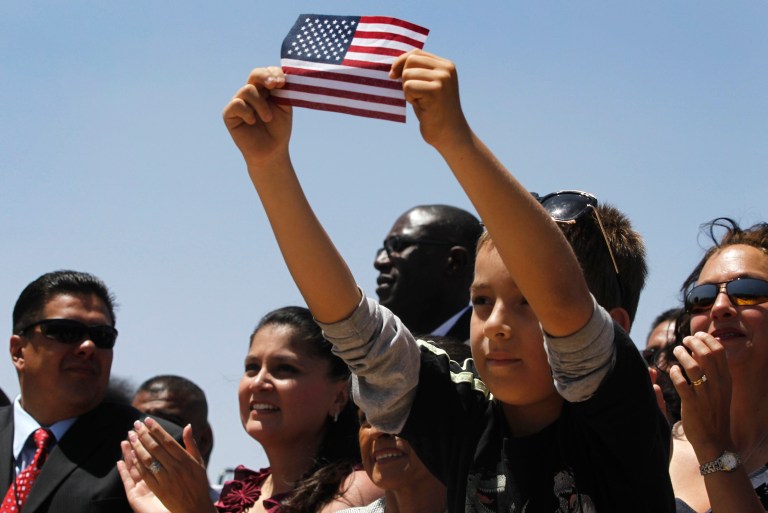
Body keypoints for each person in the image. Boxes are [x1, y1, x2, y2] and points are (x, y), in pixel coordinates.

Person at [221, 50, 674, 512]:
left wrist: (456, 140)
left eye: (527, 302)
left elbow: (564, 301)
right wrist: (269, 164)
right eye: (481, 301)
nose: (495, 324)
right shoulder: (465, 414)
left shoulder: (620, 414)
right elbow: (351, 324)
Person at [119, 306, 381, 513]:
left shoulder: (357, 492)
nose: (259, 383)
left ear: (339, 396)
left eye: (285, 369)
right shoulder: (241, 493)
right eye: (252, 368)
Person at [0, 270, 181, 513]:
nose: (88, 346)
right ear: (18, 351)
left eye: (102, 336)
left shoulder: (153, 447)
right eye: (67, 331)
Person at [664, 218, 768, 512]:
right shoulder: (659, 446)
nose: (720, 307)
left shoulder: (709, 441)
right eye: (702, 298)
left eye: (747, 291)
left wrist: (714, 447)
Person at [374, 205, 482, 340]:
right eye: (383, 249)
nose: (380, 262)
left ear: (455, 262)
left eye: (397, 245)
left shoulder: (491, 352)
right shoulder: (374, 352)